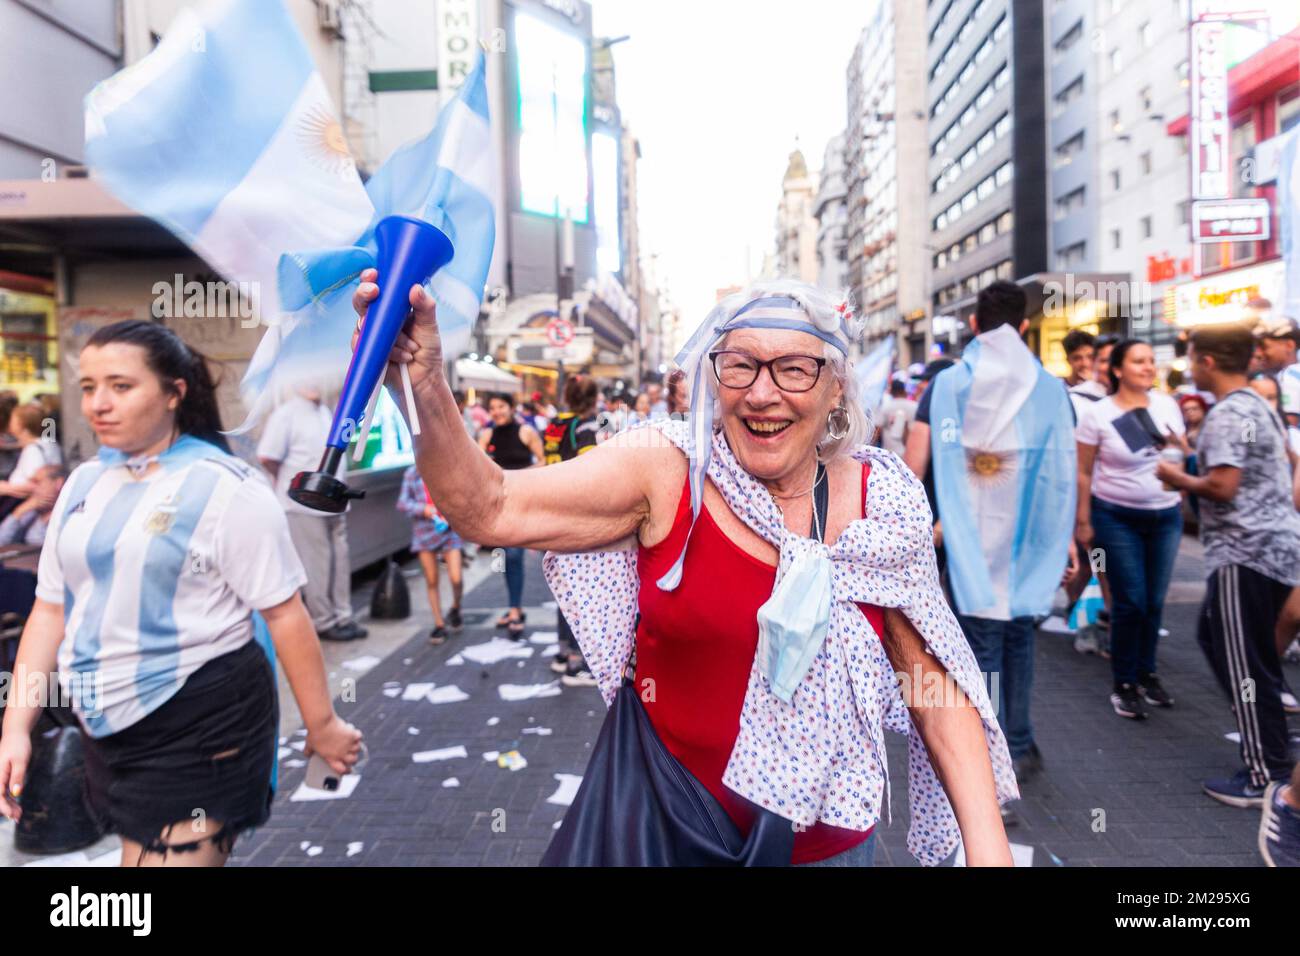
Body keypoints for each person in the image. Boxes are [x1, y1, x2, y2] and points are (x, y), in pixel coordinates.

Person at [351, 272, 1018, 866]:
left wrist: (989, 853)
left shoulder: (884, 496)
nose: (762, 394)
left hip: (831, 850)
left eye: (794, 369)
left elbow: (934, 689)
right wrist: (428, 383)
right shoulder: (665, 468)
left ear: (836, 384)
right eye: (739, 366)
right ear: (711, 375)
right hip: (668, 830)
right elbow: (488, 507)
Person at [0, 320, 361, 866]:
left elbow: (286, 615)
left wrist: (323, 726)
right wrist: (16, 728)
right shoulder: (81, 484)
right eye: (89, 387)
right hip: (105, 728)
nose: (99, 403)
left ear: (175, 392)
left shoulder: (229, 487)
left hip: (202, 723)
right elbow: (50, 609)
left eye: (121, 386)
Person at [904, 281, 1077, 786]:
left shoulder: (947, 385)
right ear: (1023, 327)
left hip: (967, 542)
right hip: (1029, 544)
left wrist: (916, 530)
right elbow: (1060, 472)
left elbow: (914, 468)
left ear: (975, 325)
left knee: (977, 644)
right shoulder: (1049, 389)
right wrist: (1064, 537)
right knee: (1019, 635)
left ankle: (987, 748)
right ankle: (1019, 743)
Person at [1156, 324, 1300, 807]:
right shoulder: (1259, 404)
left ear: (1209, 362)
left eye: (1193, 357)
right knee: (1230, 646)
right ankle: (1273, 746)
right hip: (1273, 549)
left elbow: (1223, 486)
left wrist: (1175, 475)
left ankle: (1265, 774)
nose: (1189, 364)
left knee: (1245, 661)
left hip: (1246, 552)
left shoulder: (1229, 412)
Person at [1076, 339, 1184, 720]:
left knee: (1154, 602)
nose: (1148, 367)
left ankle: (1146, 673)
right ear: (1118, 370)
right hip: (1116, 516)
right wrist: (1084, 520)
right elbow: (1084, 470)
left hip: (1165, 516)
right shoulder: (1098, 414)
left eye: (1152, 361)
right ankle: (1123, 682)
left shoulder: (1167, 405)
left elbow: (1180, 455)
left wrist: (1182, 456)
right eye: (1139, 361)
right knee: (1131, 600)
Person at [256, 386, 367, 642]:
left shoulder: (327, 412)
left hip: (335, 502)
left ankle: (343, 616)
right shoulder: (286, 414)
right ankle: (324, 621)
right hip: (304, 505)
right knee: (317, 562)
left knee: (339, 559)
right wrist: (291, 482)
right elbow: (267, 456)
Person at [542, 375, 602, 686]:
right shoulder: (588, 426)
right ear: (593, 399)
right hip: (578, 514)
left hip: (553, 508)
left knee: (565, 587)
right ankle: (578, 663)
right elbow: (590, 473)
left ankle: (564, 653)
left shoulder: (556, 424)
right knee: (581, 590)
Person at [479, 392, 544, 638]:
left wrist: (519, 477)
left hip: (523, 501)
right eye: (492, 407)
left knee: (514, 555)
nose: (497, 411)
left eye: (501, 406)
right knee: (507, 557)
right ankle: (514, 606)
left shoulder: (525, 431)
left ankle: (515, 609)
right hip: (498, 504)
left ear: (511, 407)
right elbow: (477, 463)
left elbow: (543, 460)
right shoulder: (486, 435)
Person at [396, 465, 464, 645]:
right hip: (424, 531)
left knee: (456, 577)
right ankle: (439, 624)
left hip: (449, 529)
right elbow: (402, 503)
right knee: (431, 579)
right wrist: (423, 509)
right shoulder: (412, 474)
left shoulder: (446, 470)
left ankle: (456, 607)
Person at [0, 403, 63, 521]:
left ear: (21, 424)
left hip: (24, 507)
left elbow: (37, 483)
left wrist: (6, 487)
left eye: (13, 419)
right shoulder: (49, 443)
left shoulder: (33, 450)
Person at [1251, 316, 1300, 427]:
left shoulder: (1288, 378)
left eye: (1264, 347)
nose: (1259, 353)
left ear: (1289, 345)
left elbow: (1287, 427)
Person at [0, 464, 64, 547]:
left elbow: (35, 542)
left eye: (37, 482)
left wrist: (45, 518)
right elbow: (2, 540)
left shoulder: (65, 512)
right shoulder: (34, 507)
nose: (31, 487)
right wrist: (20, 511)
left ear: (58, 484)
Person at [877, 379, 916, 457]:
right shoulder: (915, 406)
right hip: (909, 453)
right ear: (904, 391)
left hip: (889, 454)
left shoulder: (886, 407)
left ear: (892, 391)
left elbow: (878, 429)